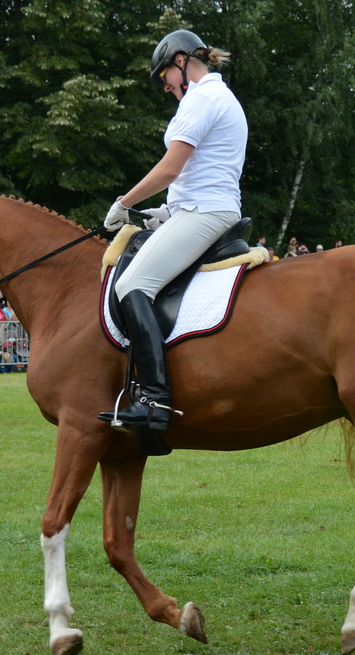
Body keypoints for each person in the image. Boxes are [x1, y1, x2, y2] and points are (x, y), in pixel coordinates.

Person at [98, 29, 245, 433]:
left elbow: (170, 168)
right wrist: (162, 212)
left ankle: (155, 400)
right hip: (201, 207)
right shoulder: (216, 97)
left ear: (181, 62)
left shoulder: (201, 98)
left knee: (132, 286)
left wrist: (123, 203)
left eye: (165, 76)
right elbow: (199, 174)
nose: (165, 86)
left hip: (206, 212)